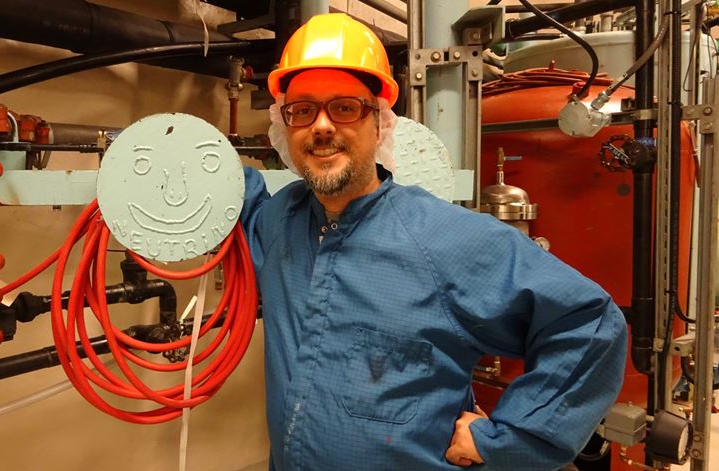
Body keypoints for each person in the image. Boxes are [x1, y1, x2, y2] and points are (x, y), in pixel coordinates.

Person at [240, 13, 627, 471]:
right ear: (285, 126)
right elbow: (228, 197)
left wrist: (507, 439)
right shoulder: (279, 221)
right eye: (302, 110)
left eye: (345, 107)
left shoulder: (443, 239)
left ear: (380, 122)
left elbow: (590, 326)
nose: (321, 126)